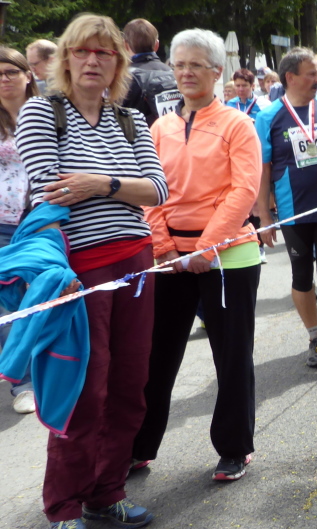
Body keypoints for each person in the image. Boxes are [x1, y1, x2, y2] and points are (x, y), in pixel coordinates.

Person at [15, 13, 169, 528]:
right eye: (82, 50)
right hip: (79, 270)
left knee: (130, 385)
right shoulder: (42, 112)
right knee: (83, 389)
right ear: (65, 58)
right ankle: (63, 507)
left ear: (119, 62)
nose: (92, 60)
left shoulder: (131, 119)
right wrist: (122, 185)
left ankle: (106, 493)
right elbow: (53, 188)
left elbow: (159, 191)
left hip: (137, 263)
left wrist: (101, 183)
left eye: (104, 52)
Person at [132, 28, 261, 484]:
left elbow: (243, 190)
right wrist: (164, 246)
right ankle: (138, 447)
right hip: (170, 256)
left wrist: (208, 246)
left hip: (228, 255)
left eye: (196, 65)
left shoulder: (237, 125)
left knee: (231, 355)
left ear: (216, 71)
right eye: (179, 64)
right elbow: (150, 191)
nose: (186, 73)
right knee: (156, 356)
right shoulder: (160, 127)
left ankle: (234, 448)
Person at [255, 47, 317, 379]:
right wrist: (264, 218)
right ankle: (315, 339)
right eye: (312, 73)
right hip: (293, 211)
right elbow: (262, 170)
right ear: (291, 77)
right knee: (301, 276)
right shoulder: (268, 117)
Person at [0, 47, 39, 415]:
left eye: (10, 71)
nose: (4, 79)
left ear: (28, 75)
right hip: (2, 223)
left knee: (45, 296)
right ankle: (22, 384)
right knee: (7, 304)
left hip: (44, 219)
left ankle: (54, 368)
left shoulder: (48, 114)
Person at [122, 18, 179, 126]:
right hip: (173, 134)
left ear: (125, 45)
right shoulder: (175, 74)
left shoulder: (125, 78)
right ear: (157, 45)